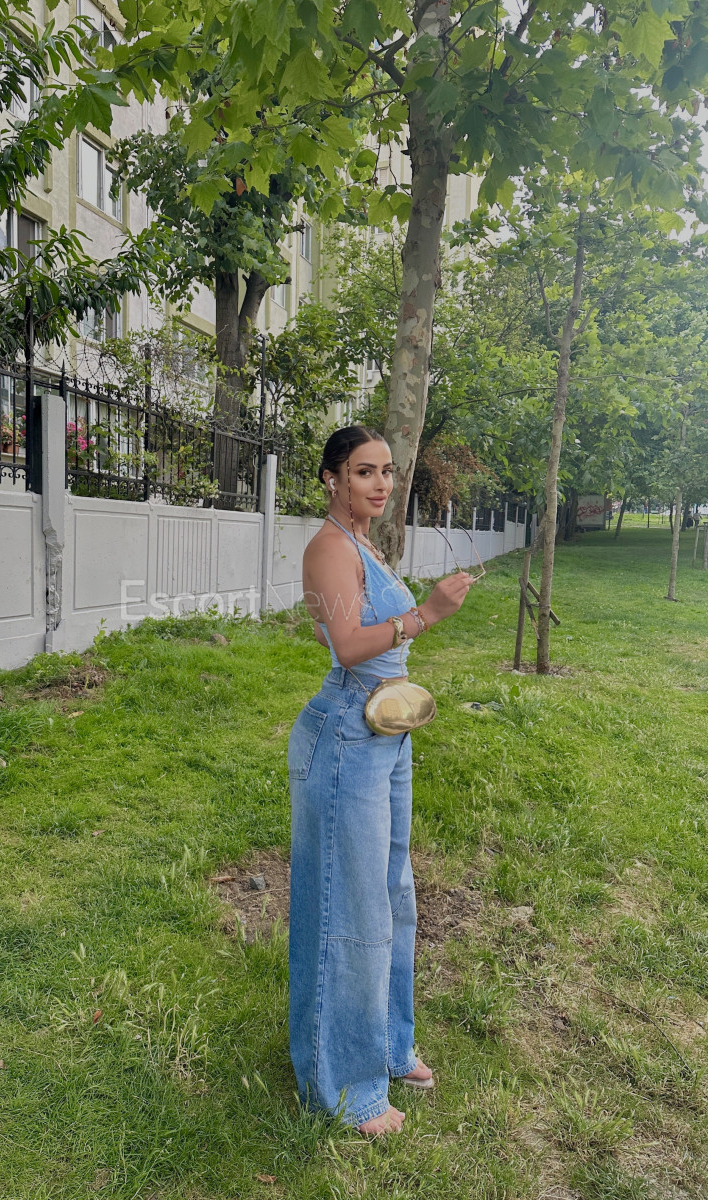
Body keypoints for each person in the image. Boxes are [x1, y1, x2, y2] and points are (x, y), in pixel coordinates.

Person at [288, 426, 474, 1137]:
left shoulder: (363, 544)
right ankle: (343, 1084)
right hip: (345, 735)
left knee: (393, 895)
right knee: (351, 907)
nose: (380, 484)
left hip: (385, 733)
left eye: (387, 472)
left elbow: (348, 630)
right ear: (332, 478)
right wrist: (427, 614)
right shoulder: (329, 547)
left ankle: (390, 1046)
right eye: (364, 471)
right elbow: (346, 645)